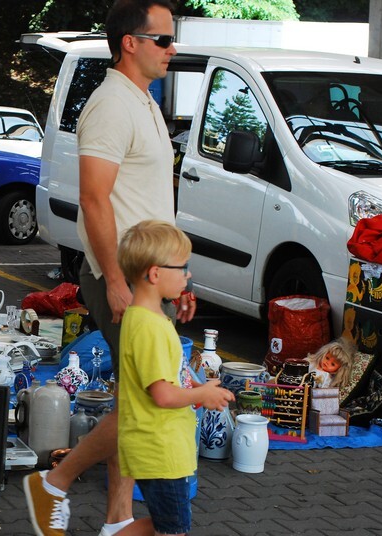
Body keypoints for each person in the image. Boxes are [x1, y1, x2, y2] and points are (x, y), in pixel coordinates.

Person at [23, 2, 197, 535]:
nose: (172, 49)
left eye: (172, 40)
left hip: (150, 278)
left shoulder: (142, 101)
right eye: (162, 40)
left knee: (134, 397)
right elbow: (94, 200)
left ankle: (117, 520)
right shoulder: (110, 104)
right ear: (129, 42)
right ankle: (56, 480)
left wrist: (178, 277)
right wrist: (117, 282)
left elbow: (148, 199)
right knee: (144, 403)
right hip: (124, 280)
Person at [114, 220, 233, 536]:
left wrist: (193, 384)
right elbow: (163, 395)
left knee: (166, 526)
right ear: (155, 274)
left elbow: (167, 375)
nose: (188, 274)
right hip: (159, 449)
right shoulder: (150, 327)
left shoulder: (149, 318)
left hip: (161, 447)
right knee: (173, 530)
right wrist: (201, 396)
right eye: (183, 267)